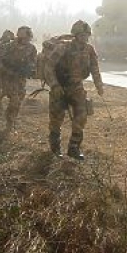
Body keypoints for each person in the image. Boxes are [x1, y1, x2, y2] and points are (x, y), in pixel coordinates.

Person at [44, 20, 104, 160]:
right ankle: (55, 146)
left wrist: (99, 85)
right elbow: (49, 67)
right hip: (59, 86)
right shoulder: (63, 48)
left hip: (76, 87)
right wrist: (54, 85)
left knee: (81, 116)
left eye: (86, 35)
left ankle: (74, 148)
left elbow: (95, 69)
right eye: (82, 35)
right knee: (56, 118)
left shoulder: (89, 49)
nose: (85, 38)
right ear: (75, 35)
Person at [0, 26, 37, 131]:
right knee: (0, 95)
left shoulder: (31, 48)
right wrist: (4, 70)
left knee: (17, 101)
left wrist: (29, 68)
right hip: (5, 77)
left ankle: (10, 123)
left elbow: (33, 62)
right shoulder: (8, 46)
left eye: (28, 37)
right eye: (25, 37)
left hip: (20, 79)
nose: (27, 39)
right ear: (19, 36)